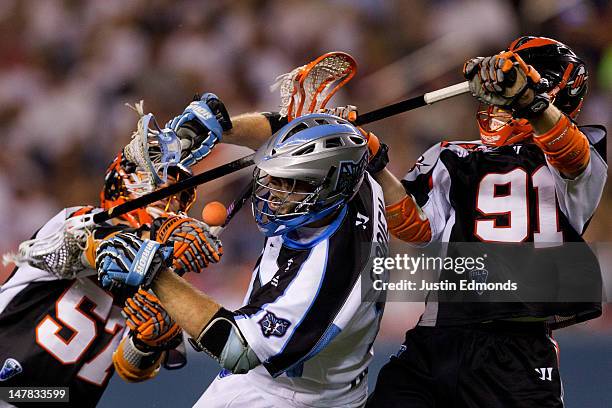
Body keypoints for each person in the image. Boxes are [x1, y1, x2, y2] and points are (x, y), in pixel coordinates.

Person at [364, 36, 607, 407]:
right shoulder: (452, 154)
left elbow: (569, 154)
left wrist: (529, 100)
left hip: (518, 348)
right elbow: (414, 229)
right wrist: (375, 164)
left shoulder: (581, 153)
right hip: (437, 338)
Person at [95, 110, 390, 408]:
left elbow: (238, 350)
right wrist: (219, 129)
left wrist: (155, 274)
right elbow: (279, 131)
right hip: (324, 382)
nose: (273, 193)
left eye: (290, 183)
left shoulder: (326, 271)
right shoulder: (354, 182)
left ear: (326, 187)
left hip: (290, 398)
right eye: (274, 176)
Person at [0, 132, 221, 407]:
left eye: (177, 199)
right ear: (124, 185)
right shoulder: (75, 219)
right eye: (160, 191)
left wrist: (146, 343)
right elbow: (93, 248)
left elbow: (132, 369)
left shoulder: (162, 277)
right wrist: (152, 253)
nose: (170, 205)